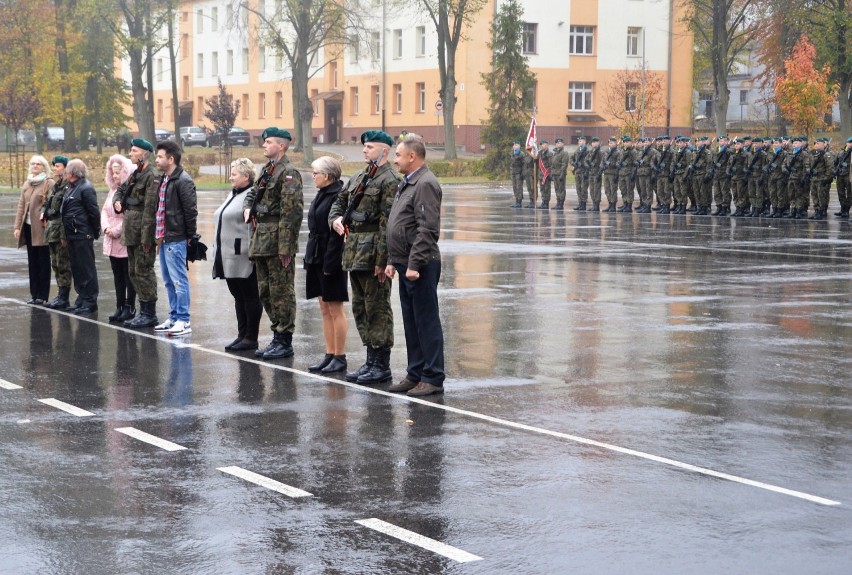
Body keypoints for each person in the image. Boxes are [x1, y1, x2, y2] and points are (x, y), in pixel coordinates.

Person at [329, 130, 399, 383]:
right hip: (354, 251)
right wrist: (335, 219)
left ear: (385, 151)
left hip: (372, 254)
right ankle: (370, 359)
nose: (364, 150)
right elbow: (340, 201)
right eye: (364, 146)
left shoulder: (389, 180)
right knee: (361, 308)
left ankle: (382, 364)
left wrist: (383, 260)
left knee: (377, 308)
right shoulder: (359, 176)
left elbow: (387, 224)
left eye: (370, 147)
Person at [385, 135, 445, 397]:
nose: (394, 159)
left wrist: (414, 263)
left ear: (412, 156)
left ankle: (432, 377)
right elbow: (399, 224)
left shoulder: (425, 184)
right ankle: (415, 373)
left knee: (426, 322)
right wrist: (391, 260)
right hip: (403, 263)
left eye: (398, 155)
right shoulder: (407, 183)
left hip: (420, 264)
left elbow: (428, 229)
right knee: (411, 322)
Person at [243, 127, 303, 359]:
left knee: (282, 292)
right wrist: (248, 207)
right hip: (262, 239)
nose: (264, 146)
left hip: (277, 240)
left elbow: (292, 214)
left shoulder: (289, 173)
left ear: (282, 145)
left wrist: (286, 247)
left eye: (268, 142)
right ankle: (276, 334)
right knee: (266, 291)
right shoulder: (267, 170)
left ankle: (284, 339)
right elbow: (252, 193)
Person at [212, 158, 262, 351]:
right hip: (228, 255)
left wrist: (253, 252)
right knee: (238, 297)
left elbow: (253, 226)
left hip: (243, 254)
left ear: (246, 176)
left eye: (234, 174)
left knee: (250, 296)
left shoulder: (252, 195)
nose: (230, 177)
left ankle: (251, 338)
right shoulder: (234, 193)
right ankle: (242, 335)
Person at [305, 156, 348, 373]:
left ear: (328, 176)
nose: (313, 177)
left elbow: (337, 235)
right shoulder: (322, 194)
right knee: (324, 309)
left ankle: (340, 356)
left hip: (331, 258)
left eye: (316, 173)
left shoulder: (338, 196)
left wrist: (331, 264)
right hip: (316, 255)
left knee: (335, 308)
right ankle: (329, 353)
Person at [152, 140, 197, 336]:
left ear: (171, 159)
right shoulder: (164, 179)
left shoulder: (183, 180)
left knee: (179, 280)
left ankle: (184, 320)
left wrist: (190, 236)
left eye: (160, 156)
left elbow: (190, 211)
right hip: (163, 238)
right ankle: (173, 317)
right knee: (169, 280)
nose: (157, 159)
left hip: (176, 238)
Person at [114, 138, 160, 328]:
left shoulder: (151, 176)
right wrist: (117, 202)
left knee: (144, 272)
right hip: (131, 232)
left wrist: (146, 238)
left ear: (144, 154)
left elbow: (150, 209)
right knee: (133, 272)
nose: (130, 154)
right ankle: (143, 311)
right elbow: (120, 190)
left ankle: (150, 313)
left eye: (134, 151)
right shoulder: (135, 174)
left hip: (142, 233)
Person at [60, 159, 100, 314]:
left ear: (73, 172)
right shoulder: (71, 187)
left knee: (87, 268)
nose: (65, 174)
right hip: (73, 234)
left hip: (83, 233)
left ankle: (90, 300)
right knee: (77, 268)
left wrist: (94, 231)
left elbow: (94, 212)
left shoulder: (86, 188)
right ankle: (82, 297)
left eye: (67, 171)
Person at [13, 155, 54, 304]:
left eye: (38, 164)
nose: (35, 166)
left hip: (42, 228)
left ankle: (43, 296)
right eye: (33, 164)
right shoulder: (27, 183)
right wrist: (17, 226)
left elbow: (52, 206)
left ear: (44, 167)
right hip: (29, 228)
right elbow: (21, 206)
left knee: (43, 261)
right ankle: (34, 294)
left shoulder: (48, 184)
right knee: (32, 262)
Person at [101, 154, 137, 322]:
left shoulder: (129, 190)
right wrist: (106, 227)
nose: (115, 176)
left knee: (127, 274)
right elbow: (104, 211)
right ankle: (119, 305)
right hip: (111, 239)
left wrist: (115, 230)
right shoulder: (112, 190)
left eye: (118, 172)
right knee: (117, 274)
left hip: (123, 238)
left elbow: (129, 216)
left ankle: (130, 306)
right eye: (112, 173)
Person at [41, 156, 71, 309]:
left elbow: (65, 211)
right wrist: (43, 213)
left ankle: (64, 296)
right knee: (55, 264)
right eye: (54, 166)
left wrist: (63, 234)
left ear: (66, 168)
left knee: (63, 263)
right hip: (51, 229)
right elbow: (47, 203)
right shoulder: (56, 186)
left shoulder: (67, 186)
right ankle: (60, 293)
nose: (55, 169)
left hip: (60, 229)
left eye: (58, 166)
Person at [550, 138, 569, 210]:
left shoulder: (564, 153)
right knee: (556, 189)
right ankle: (558, 202)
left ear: (563, 144)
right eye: (557, 143)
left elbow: (564, 165)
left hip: (560, 174)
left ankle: (561, 203)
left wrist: (562, 174)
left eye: (560, 143)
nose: (558, 144)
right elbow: (552, 164)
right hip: (555, 173)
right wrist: (552, 173)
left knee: (561, 189)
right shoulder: (555, 153)